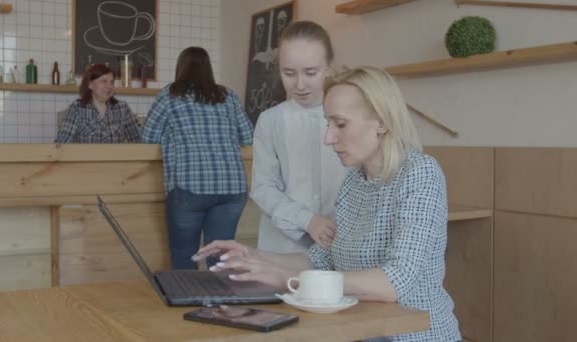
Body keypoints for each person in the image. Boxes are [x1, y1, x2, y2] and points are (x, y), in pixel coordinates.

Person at [194, 66, 462, 341]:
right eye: (328, 124)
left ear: (381, 122)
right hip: (362, 332)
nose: (328, 138)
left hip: (414, 335)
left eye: (341, 124)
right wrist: (253, 257)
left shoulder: (420, 173)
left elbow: (393, 282)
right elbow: (324, 260)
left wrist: (288, 280)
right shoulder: (353, 183)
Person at [142, 46, 253, 270]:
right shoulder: (228, 96)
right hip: (232, 187)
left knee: (185, 257)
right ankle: (221, 304)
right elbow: (248, 136)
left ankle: (189, 303)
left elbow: (147, 137)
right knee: (220, 260)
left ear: (180, 69)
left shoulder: (169, 95)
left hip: (189, 187)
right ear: (208, 69)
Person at [251, 21, 346, 253]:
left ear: (329, 68)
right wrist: (307, 220)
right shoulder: (270, 120)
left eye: (310, 72)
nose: (300, 84)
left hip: (343, 241)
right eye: (289, 73)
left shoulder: (351, 115)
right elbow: (263, 187)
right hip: (283, 246)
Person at [56, 64, 141, 143]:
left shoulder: (122, 108)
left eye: (111, 82)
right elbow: (62, 142)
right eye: (104, 81)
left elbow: (138, 141)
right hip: (85, 159)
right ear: (90, 85)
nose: (109, 86)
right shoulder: (77, 108)